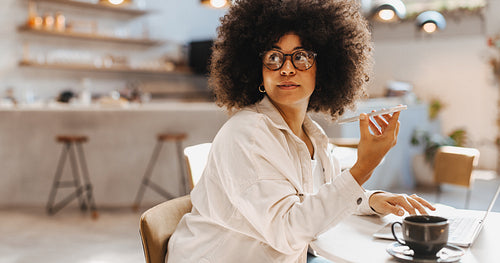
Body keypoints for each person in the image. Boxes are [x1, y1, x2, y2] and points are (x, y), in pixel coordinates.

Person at [166, 0, 435, 262]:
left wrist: (371, 200)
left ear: (325, 68)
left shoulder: (312, 134)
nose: (286, 69)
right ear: (257, 70)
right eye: (273, 57)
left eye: (301, 57)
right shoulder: (246, 136)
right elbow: (289, 229)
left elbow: (315, 199)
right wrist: (363, 168)